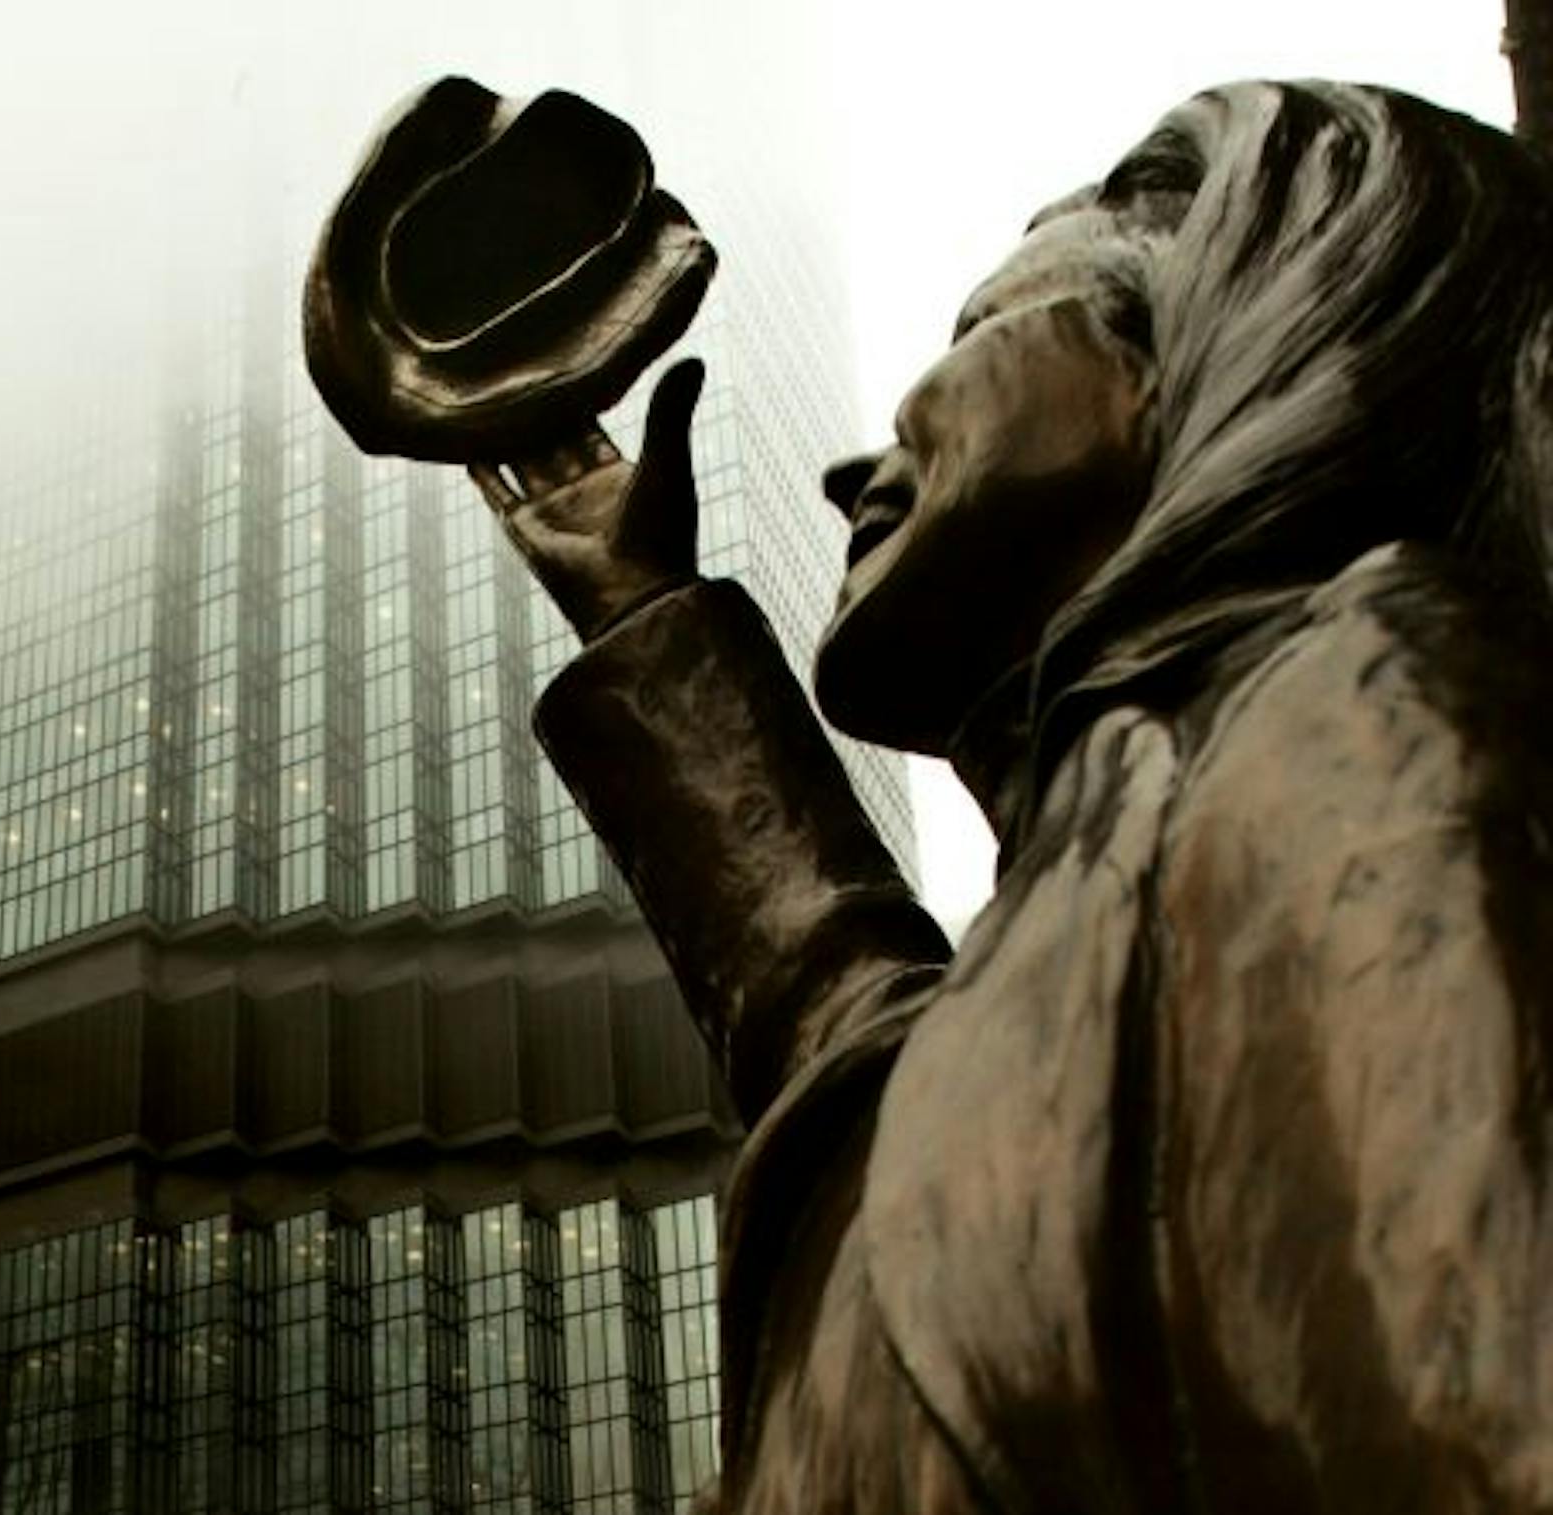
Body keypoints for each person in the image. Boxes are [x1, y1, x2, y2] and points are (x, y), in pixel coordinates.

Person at [468, 81, 1553, 1512]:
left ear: (1208, 351)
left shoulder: (1352, 713)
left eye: (978, 334)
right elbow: (879, 1084)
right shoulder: (1105, 903)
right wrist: (642, 616)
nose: (856, 459)